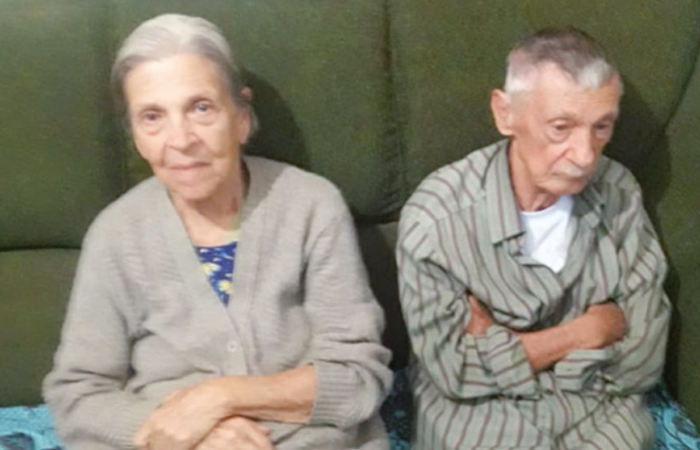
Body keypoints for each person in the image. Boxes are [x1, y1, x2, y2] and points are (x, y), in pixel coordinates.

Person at [43, 13, 392, 450]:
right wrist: (184, 433)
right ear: (135, 136)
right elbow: (77, 395)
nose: (181, 139)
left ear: (241, 116)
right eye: (152, 117)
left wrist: (219, 398)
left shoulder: (311, 206)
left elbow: (357, 377)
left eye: (201, 108)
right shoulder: (115, 236)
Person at [397, 27, 670, 449]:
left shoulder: (619, 194)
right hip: (479, 416)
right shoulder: (435, 220)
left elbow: (644, 358)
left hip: (599, 410)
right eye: (561, 128)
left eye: (601, 127)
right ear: (505, 113)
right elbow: (455, 372)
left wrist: (505, 346)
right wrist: (585, 333)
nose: (585, 155)